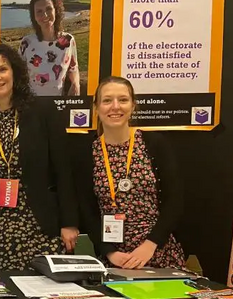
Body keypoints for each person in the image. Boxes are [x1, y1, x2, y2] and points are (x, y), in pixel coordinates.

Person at [0, 43, 79, 271]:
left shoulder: (43, 112)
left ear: (15, 72)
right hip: (0, 227)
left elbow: (65, 171)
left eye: (2, 69)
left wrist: (69, 223)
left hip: (40, 224)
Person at [74, 76, 186, 269]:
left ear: (133, 106)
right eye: (107, 100)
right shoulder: (87, 152)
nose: (115, 106)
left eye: (123, 100)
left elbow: (174, 201)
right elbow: (88, 211)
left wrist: (150, 245)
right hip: (113, 259)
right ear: (96, 107)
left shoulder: (155, 144)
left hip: (157, 252)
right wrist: (109, 252)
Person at [19, 0, 80, 96]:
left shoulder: (68, 40)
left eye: (48, 9)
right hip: (33, 104)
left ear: (56, 10)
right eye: (39, 11)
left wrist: (76, 83)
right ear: (34, 16)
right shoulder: (26, 43)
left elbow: (73, 68)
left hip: (58, 104)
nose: (45, 15)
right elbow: (18, 73)